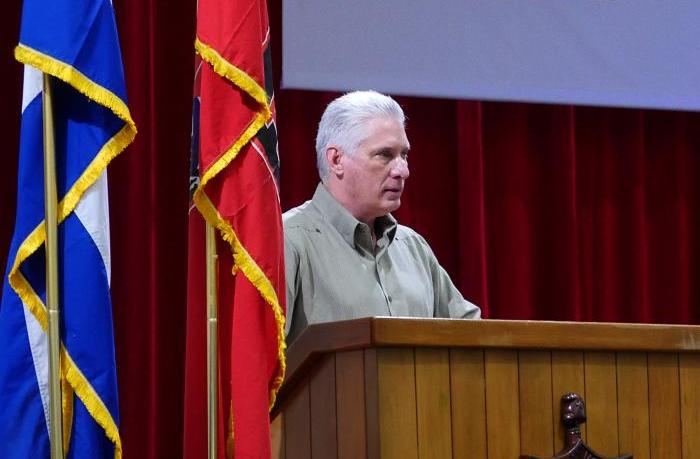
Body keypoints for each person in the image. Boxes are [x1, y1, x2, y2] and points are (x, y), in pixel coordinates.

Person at [283, 90, 480, 344]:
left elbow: (473, 338)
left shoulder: (413, 246)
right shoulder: (289, 240)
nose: (403, 171)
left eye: (404, 155)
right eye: (384, 155)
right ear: (336, 160)